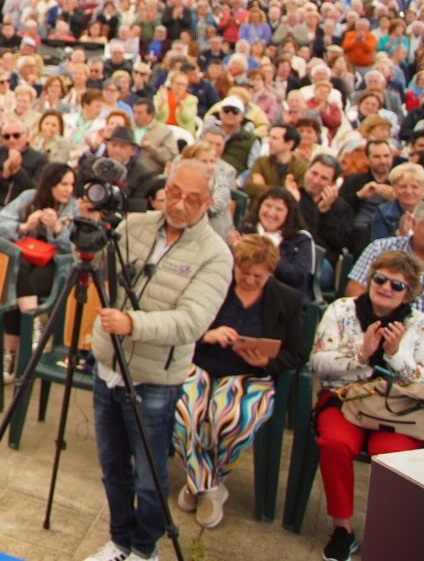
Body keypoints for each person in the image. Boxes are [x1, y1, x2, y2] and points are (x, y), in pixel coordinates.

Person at [81, 159, 232, 561]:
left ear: (209, 203)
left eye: (192, 199)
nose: (179, 204)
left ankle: (144, 549)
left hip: (154, 378)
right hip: (108, 365)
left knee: (149, 477)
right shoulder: (136, 225)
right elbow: (100, 270)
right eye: (174, 192)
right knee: (112, 467)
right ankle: (119, 540)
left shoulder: (215, 254)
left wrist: (133, 323)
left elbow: (191, 322)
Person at [170, 235, 307, 529]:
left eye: (259, 276)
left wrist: (267, 362)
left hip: (249, 374)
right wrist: (208, 334)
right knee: (182, 412)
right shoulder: (214, 286)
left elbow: (297, 353)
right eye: (243, 273)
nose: (249, 280)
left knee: (232, 418)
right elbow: (181, 323)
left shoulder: (287, 300)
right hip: (202, 363)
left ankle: (199, 483)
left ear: (271, 273)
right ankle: (209, 487)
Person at [310, 250, 424, 561]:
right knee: (334, 443)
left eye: (397, 285)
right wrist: (361, 354)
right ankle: (342, 530)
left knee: (396, 459)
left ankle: (387, 535)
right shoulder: (341, 309)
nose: (386, 287)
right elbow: (317, 363)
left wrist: (396, 354)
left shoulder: (418, 325)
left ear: (408, 294)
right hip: (343, 398)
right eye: (380, 279)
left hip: (397, 409)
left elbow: (421, 380)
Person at [0, 160, 76, 379]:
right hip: (25, 258)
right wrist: (25, 226)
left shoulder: (72, 207)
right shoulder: (29, 197)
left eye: (71, 185)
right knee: (18, 272)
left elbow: (74, 247)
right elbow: (2, 221)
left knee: (17, 288)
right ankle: (31, 322)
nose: (68, 190)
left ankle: (10, 353)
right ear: (50, 184)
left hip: (53, 264)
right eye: (63, 184)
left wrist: (57, 229)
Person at [233, 187, 316, 297]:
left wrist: (267, 254)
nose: (271, 213)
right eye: (267, 206)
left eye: (279, 209)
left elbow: (297, 277)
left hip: (284, 299)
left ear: (289, 213)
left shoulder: (301, 239)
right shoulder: (245, 230)